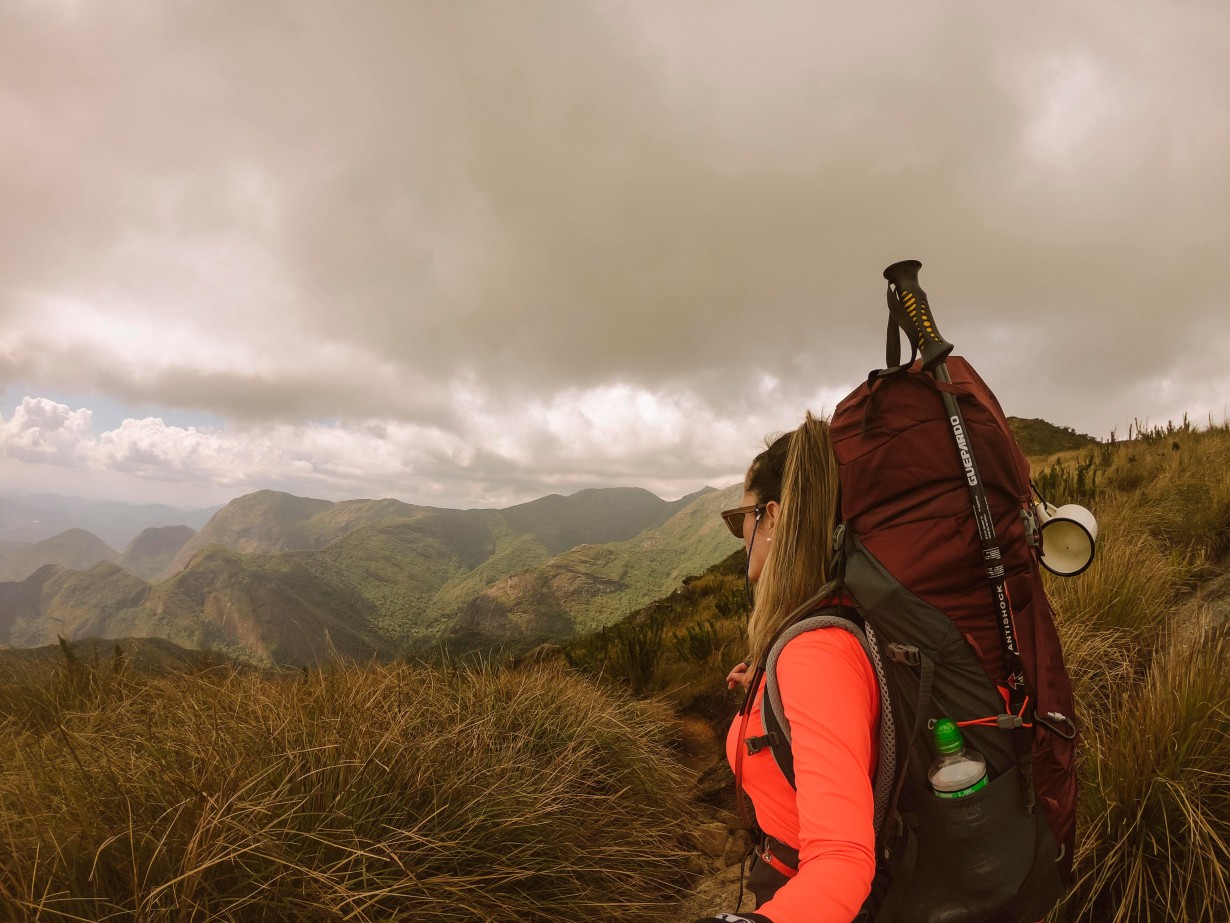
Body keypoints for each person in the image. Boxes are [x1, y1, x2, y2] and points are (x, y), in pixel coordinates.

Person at [694, 412, 880, 923]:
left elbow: (842, 857)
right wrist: (767, 690)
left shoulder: (814, 653)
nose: (741, 533)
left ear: (772, 517)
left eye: (741, 517)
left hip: (801, 889)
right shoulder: (830, 626)